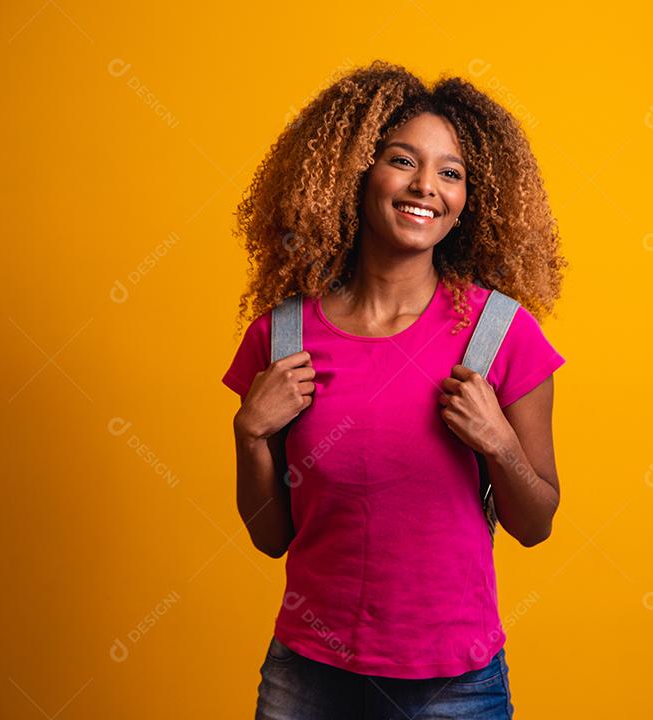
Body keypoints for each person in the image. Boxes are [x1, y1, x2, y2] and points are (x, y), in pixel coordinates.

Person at [221, 59, 567, 720]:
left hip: (453, 688)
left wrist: (499, 443)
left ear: (469, 200)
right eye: (402, 161)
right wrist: (250, 434)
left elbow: (536, 524)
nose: (425, 186)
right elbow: (271, 537)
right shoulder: (284, 335)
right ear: (355, 173)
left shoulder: (500, 334)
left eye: (450, 173)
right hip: (308, 679)